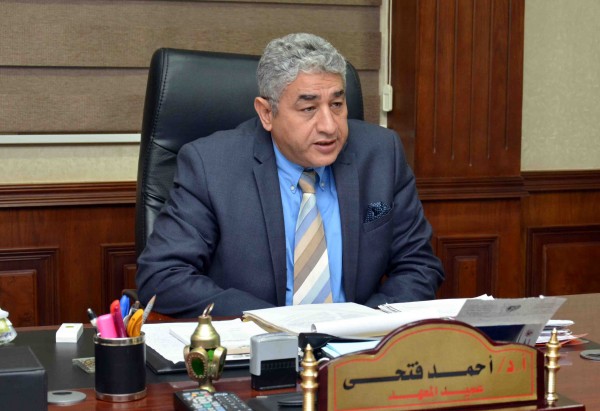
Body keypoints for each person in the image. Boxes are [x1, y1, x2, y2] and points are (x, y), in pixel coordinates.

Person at [136, 33, 444, 317]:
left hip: (357, 346)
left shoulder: (381, 154)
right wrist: (274, 324)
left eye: (337, 104)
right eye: (309, 109)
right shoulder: (211, 165)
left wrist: (363, 324)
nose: (330, 126)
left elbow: (418, 265)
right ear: (266, 113)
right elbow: (163, 275)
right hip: (257, 343)